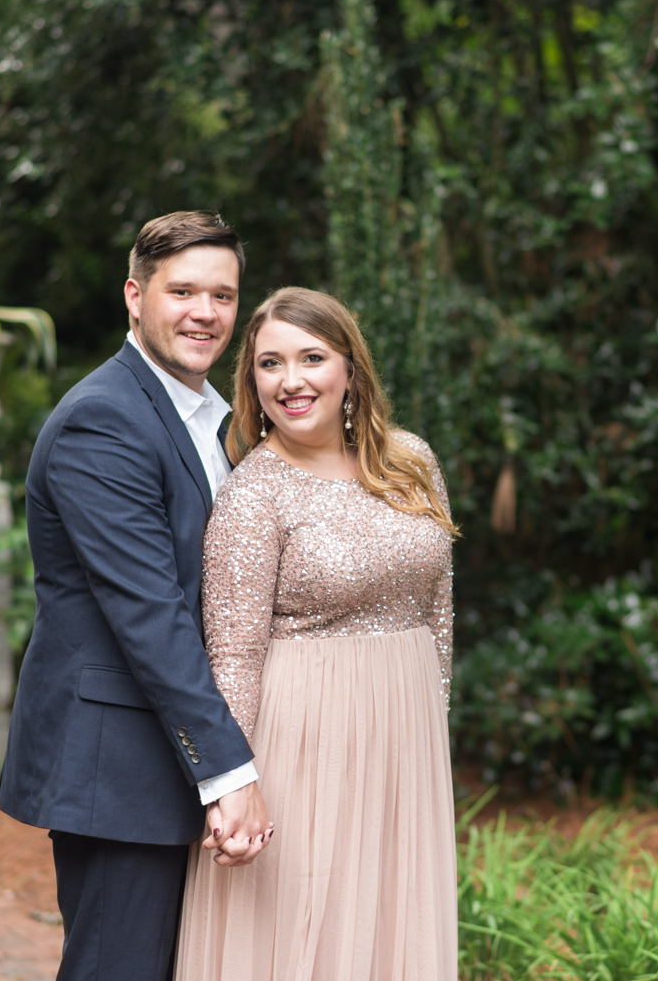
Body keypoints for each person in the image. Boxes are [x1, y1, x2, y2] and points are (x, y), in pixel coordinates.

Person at [0, 211, 272, 981]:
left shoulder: (218, 420)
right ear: (134, 295)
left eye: (222, 294)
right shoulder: (103, 421)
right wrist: (228, 771)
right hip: (118, 764)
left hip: (172, 752)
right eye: (181, 290)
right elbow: (151, 613)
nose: (204, 312)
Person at [174, 287, 460, 981]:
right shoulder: (254, 493)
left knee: (390, 926)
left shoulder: (411, 461)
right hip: (302, 741)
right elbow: (232, 655)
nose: (291, 380)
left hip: (405, 739)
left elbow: (439, 610)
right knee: (307, 931)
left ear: (350, 370)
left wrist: (431, 726)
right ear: (252, 383)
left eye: (311, 357)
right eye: (270, 364)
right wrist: (230, 788)